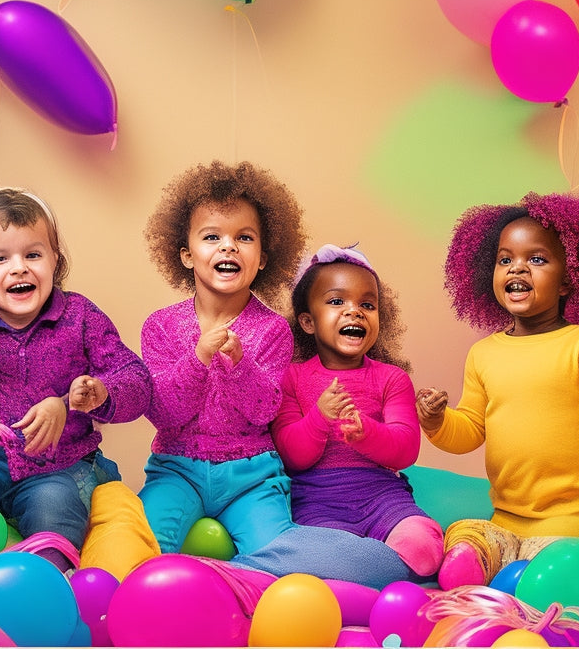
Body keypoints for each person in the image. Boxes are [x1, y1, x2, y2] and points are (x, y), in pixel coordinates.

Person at [83, 161, 418, 590]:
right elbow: (165, 412)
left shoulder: (272, 329)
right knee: (144, 539)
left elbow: (264, 412)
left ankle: (232, 578)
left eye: (244, 238)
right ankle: (150, 593)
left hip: (252, 474)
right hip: (177, 468)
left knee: (283, 547)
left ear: (262, 258)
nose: (229, 247)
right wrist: (198, 359)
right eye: (212, 237)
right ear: (186, 254)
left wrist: (240, 366)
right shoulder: (161, 326)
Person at [415, 192, 579, 590]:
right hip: (505, 520)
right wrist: (436, 420)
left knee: (552, 578)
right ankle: (478, 566)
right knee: (464, 536)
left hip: (570, 524)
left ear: (569, 279)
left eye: (536, 259)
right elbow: (469, 429)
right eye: (506, 259)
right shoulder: (483, 354)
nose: (518, 268)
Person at [0, 186, 151, 571]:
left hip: (61, 468)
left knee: (54, 507)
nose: (19, 268)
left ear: (55, 261)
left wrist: (95, 393)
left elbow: (137, 381)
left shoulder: (79, 317)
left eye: (33, 254)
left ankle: (48, 580)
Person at [271, 244, 444, 577]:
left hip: (383, 498)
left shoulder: (391, 378)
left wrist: (367, 433)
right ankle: (374, 569)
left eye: (368, 304)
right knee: (319, 551)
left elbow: (406, 449)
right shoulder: (292, 377)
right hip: (316, 502)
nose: (355, 311)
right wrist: (319, 419)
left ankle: (364, 570)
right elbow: (291, 455)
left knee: (423, 544)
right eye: (337, 301)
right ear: (308, 321)